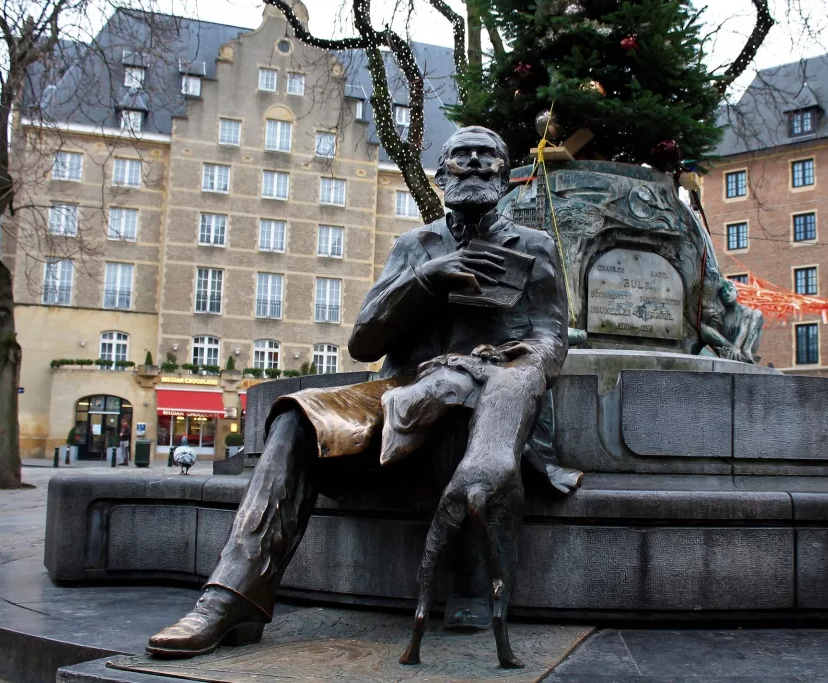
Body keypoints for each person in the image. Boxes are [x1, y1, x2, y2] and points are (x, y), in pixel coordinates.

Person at [146, 126, 580, 658]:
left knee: (458, 407)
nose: (472, 162)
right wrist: (427, 280)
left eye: (485, 155)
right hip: (403, 391)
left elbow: (551, 340)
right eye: (460, 155)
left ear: (504, 174)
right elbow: (363, 342)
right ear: (442, 175)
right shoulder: (415, 246)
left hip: (489, 397)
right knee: (294, 419)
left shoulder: (533, 245)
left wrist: (508, 366)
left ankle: (473, 580)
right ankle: (231, 596)